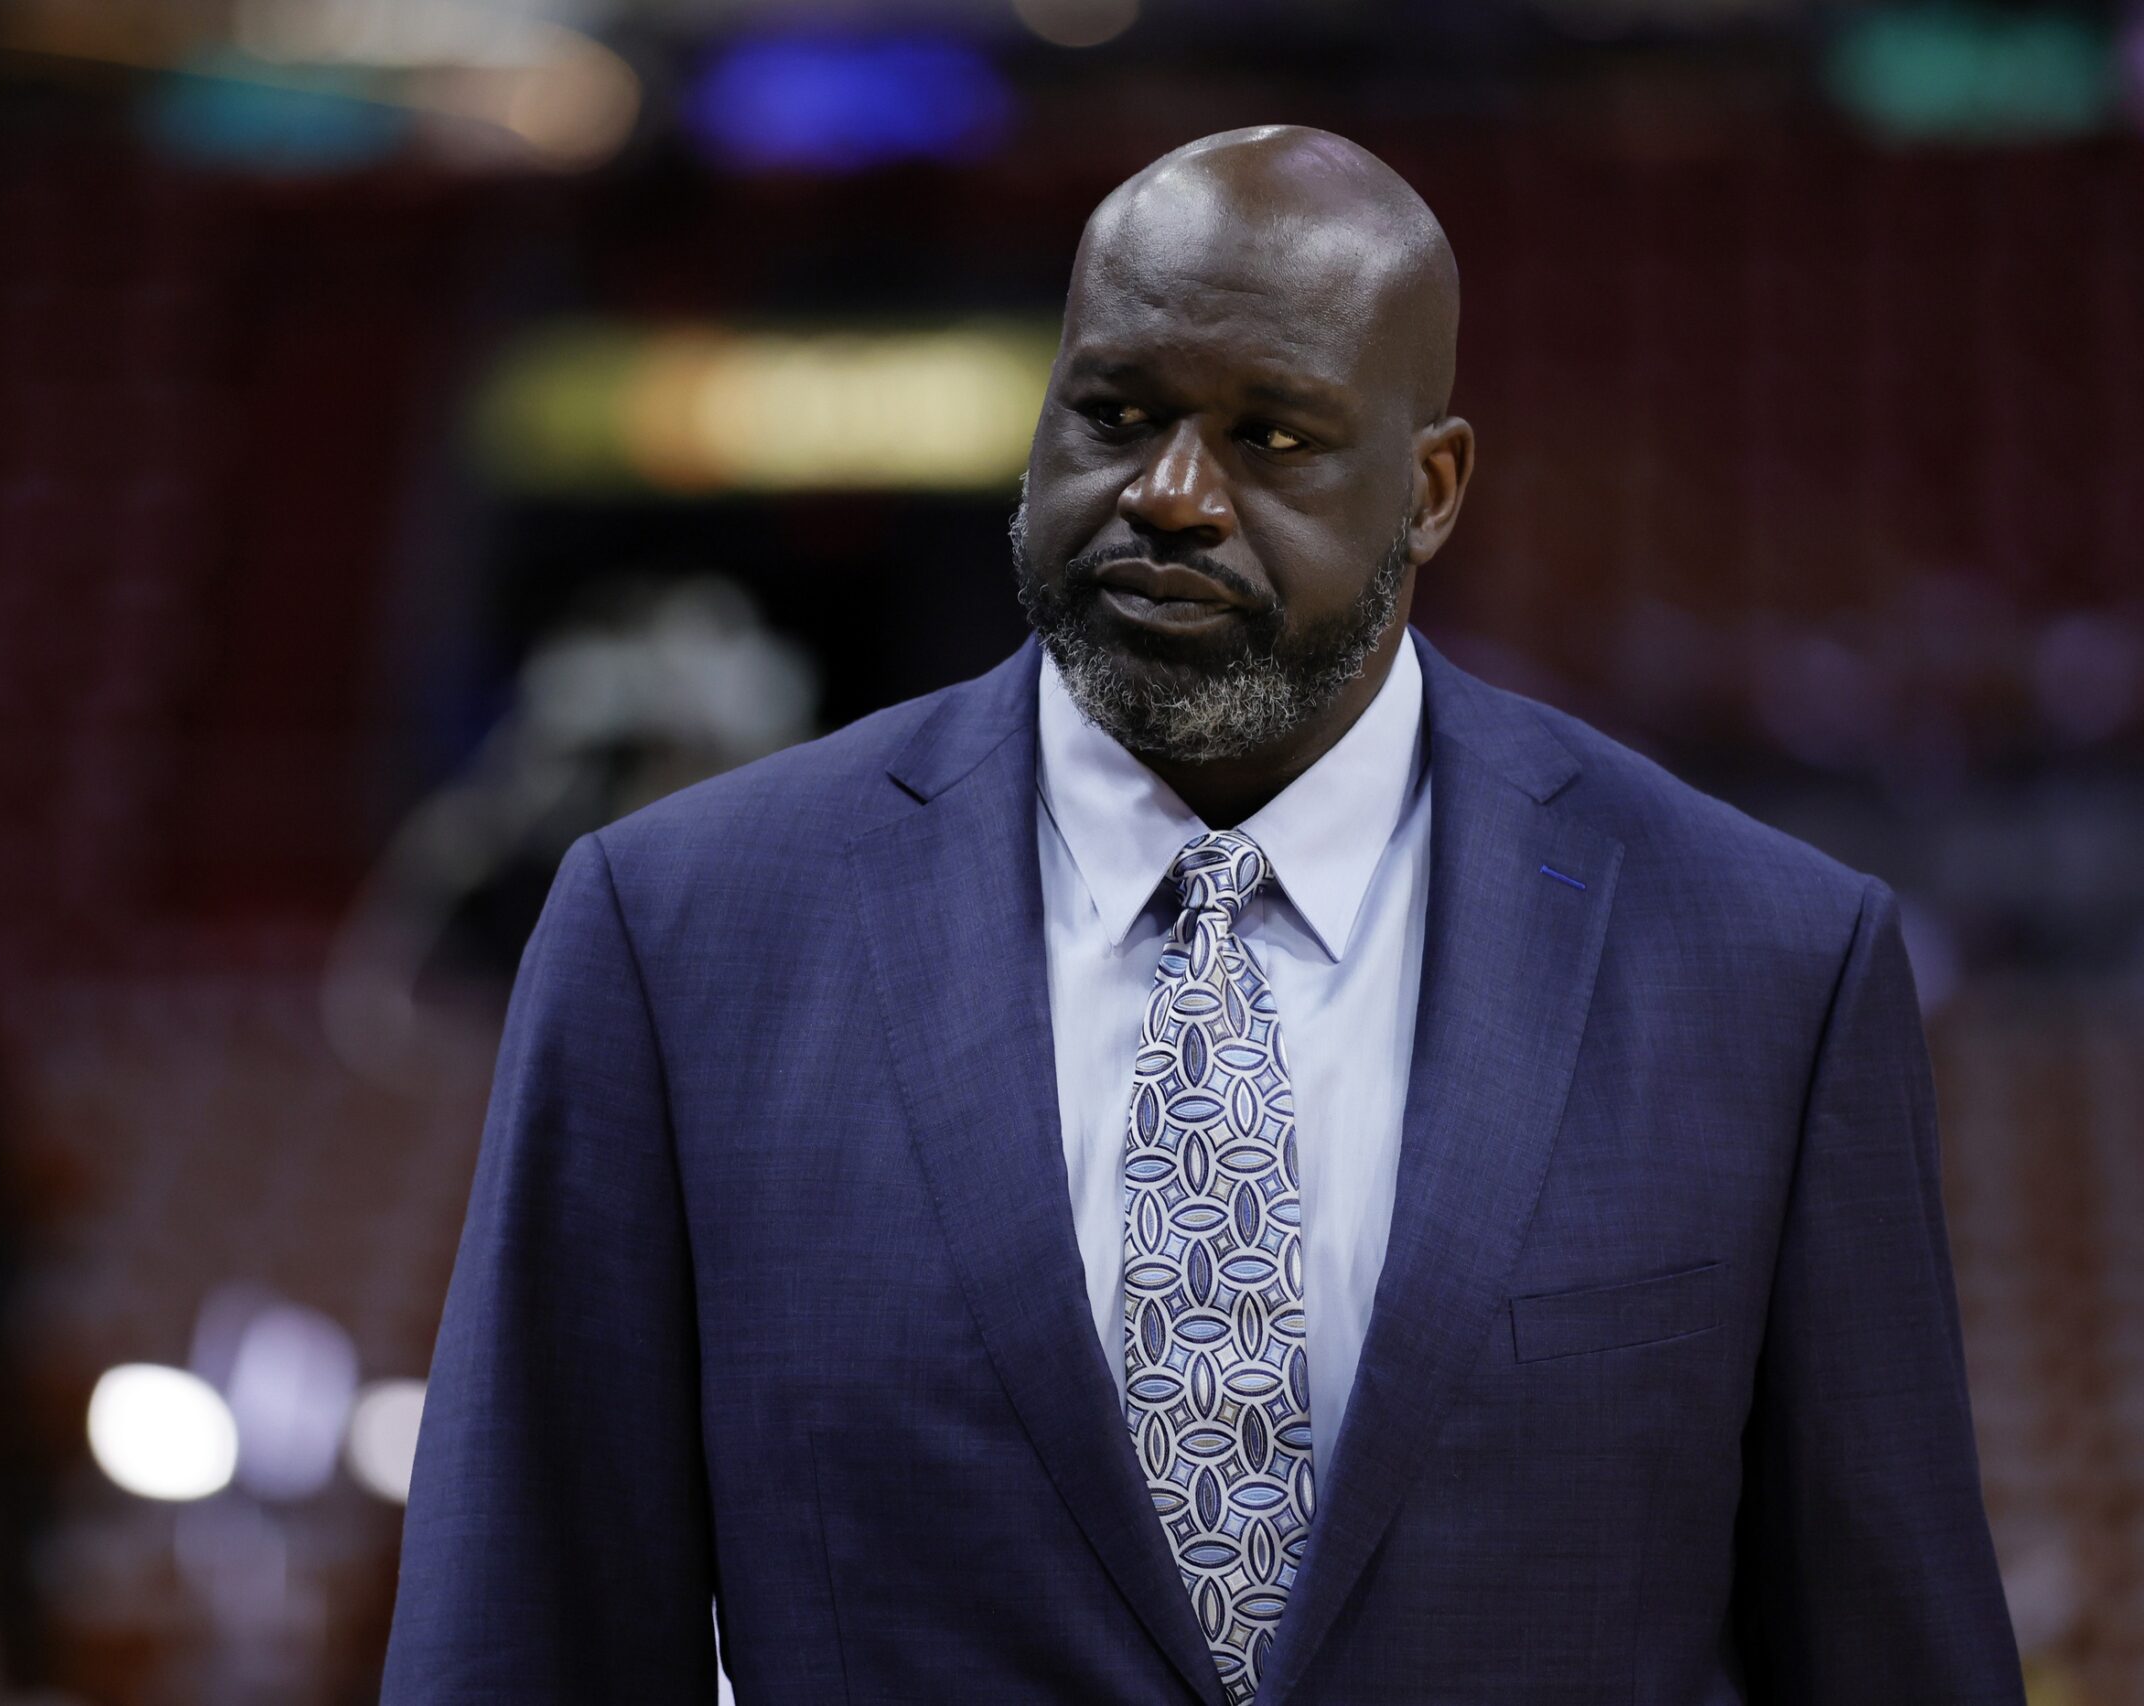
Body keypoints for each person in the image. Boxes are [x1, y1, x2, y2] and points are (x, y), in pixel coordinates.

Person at [381, 126, 2023, 1706]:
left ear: (1433, 488)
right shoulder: (678, 935)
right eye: (1115, 411)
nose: (1170, 491)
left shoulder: (1768, 965)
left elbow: (1888, 1655)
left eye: (1274, 436)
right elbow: (528, 1638)